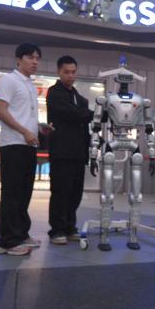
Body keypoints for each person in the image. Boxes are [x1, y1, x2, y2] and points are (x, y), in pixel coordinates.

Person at [0, 43, 46, 256]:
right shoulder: (9, 80)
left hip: (28, 145)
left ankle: (21, 234)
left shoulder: (30, 85)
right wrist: (24, 131)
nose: (35, 62)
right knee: (12, 194)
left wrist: (39, 128)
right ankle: (7, 242)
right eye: (30, 57)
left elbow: (23, 114)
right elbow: (0, 111)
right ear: (18, 59)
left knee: (24, 194)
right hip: (13, 144)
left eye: (37, 58)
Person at [46, 55, 92, 245]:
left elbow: (84, 117)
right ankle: (57, 230)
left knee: (75, 193)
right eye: (67, 72)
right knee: (60, 192)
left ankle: (70, 227)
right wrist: (92, 114)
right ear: (59, 71)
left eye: (73, 72)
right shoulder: (54, 93)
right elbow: (73, 114)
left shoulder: (79, 98)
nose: (71, 75)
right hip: (61, 152)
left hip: (78, 153)